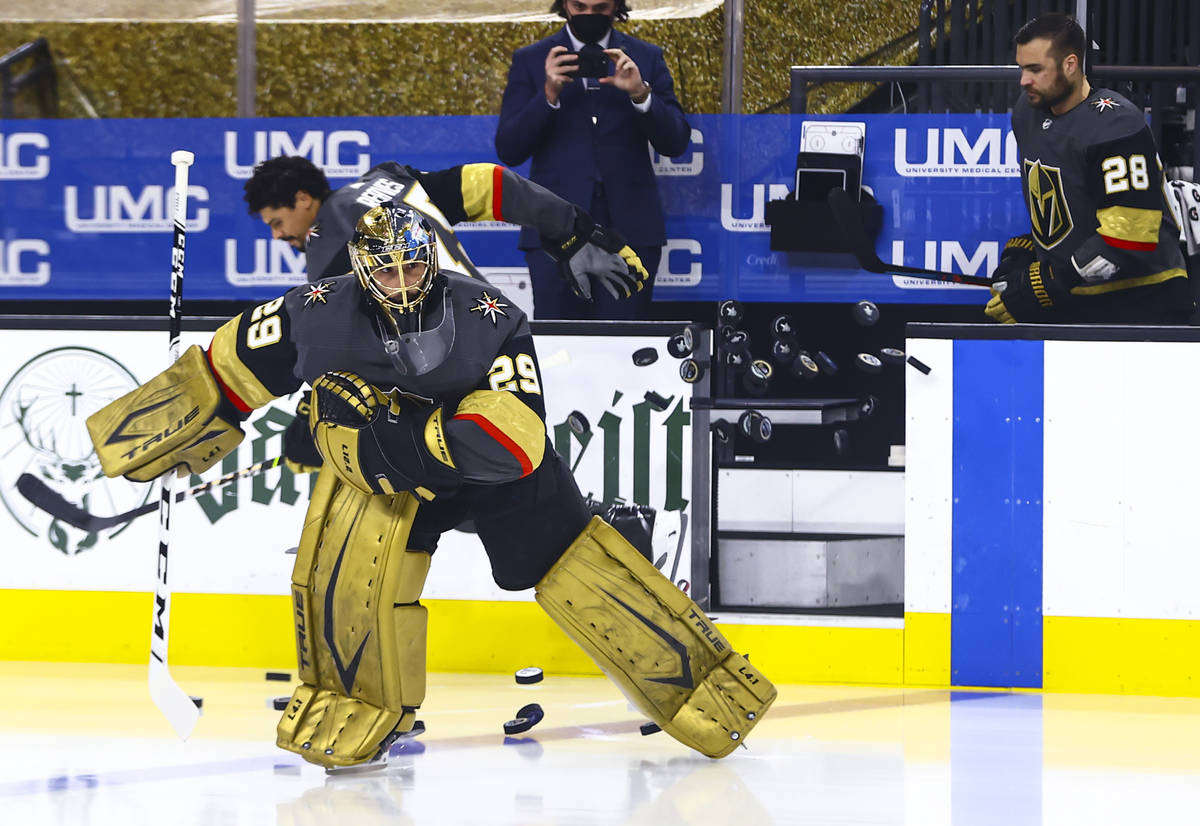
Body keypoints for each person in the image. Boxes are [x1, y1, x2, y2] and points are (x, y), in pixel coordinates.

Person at [84, 200, 776, 772]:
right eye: (386, 269)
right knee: (345, 578)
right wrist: (182, 433)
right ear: (360, 269)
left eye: (414, 262)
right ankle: (362, 705)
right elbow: (227, 366)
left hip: (480, 468)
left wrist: (389, 440)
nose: (403, 277)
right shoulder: (313, 311)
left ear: (433, 258)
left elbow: (514, 439)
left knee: (574, 560)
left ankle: (697, 679)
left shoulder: (493, 319)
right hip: (384, 477)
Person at [243, 155, 649, 471]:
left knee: (453, 485)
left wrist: (310, 416)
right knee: (524, 473)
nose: (278, 235)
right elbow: (492, 184)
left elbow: (339, 338)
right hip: (500, 335)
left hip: (441, 369)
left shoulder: (330, 238)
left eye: (278, 222)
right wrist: (571, 229)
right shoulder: (390, 182)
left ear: (303, 200)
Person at [986, 13, 1192, 325]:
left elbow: (1129, 241)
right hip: (1077, 298)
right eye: (1022, 68)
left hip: (1144, 301)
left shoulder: (1117, 124)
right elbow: (1068, 206)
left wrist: (1045, 284)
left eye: (1035, 69)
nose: (1023, 80)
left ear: (1070, 65)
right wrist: (1028, 252)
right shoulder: (1026, 112)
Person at [495, 0, 691, 320]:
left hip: (631, 229)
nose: (589, 16)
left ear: (616, 6)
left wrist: (641, 94)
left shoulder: (645, 57)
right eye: (580, 6)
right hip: (554, 231)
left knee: (626, 346)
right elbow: (509, 149)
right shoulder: (532, 60)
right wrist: (547, 94)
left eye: (600, 7)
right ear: (564, 5)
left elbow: (676, 142)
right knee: (558, 348)